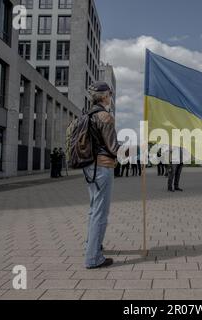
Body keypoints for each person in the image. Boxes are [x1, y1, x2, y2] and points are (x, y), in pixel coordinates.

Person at [83, 81, 120, 269]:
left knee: (93, 210)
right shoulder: (105, 117)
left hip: (89, 167)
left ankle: (91, 246)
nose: (111, 97)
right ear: (104, 96)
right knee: (100, 213)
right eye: (110, 94)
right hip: (103, 168)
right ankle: (93, 258)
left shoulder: (87, 115)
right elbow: (113, 149)